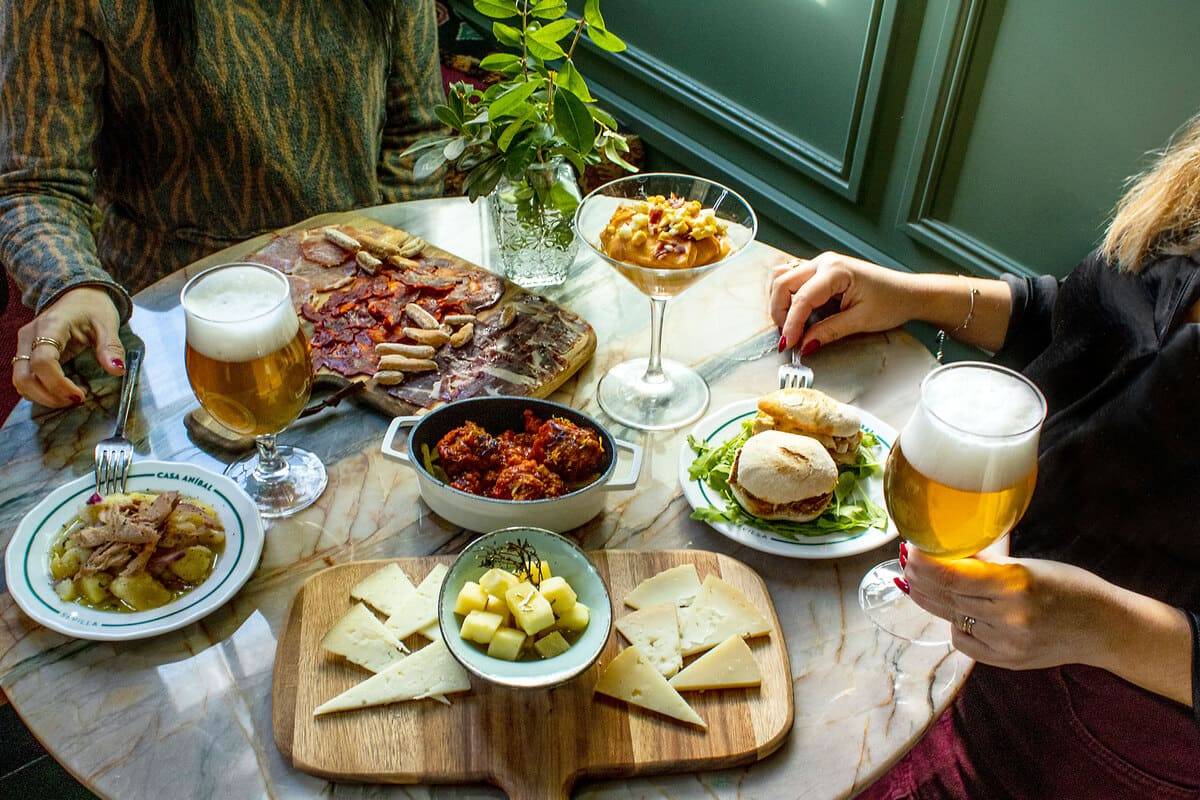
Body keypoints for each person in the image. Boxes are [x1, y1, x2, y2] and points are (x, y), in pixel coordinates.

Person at [771, 115, 1200, 798]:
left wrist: (1105, 627)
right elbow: (1096, 322)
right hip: (985, 623)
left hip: (1103, 740)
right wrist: (911, 294)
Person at [1, 0, 446, 409]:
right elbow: (37, 181)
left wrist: (384, 284)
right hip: (175, 330)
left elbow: (418, 135)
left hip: (365, 317)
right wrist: (70, 281)